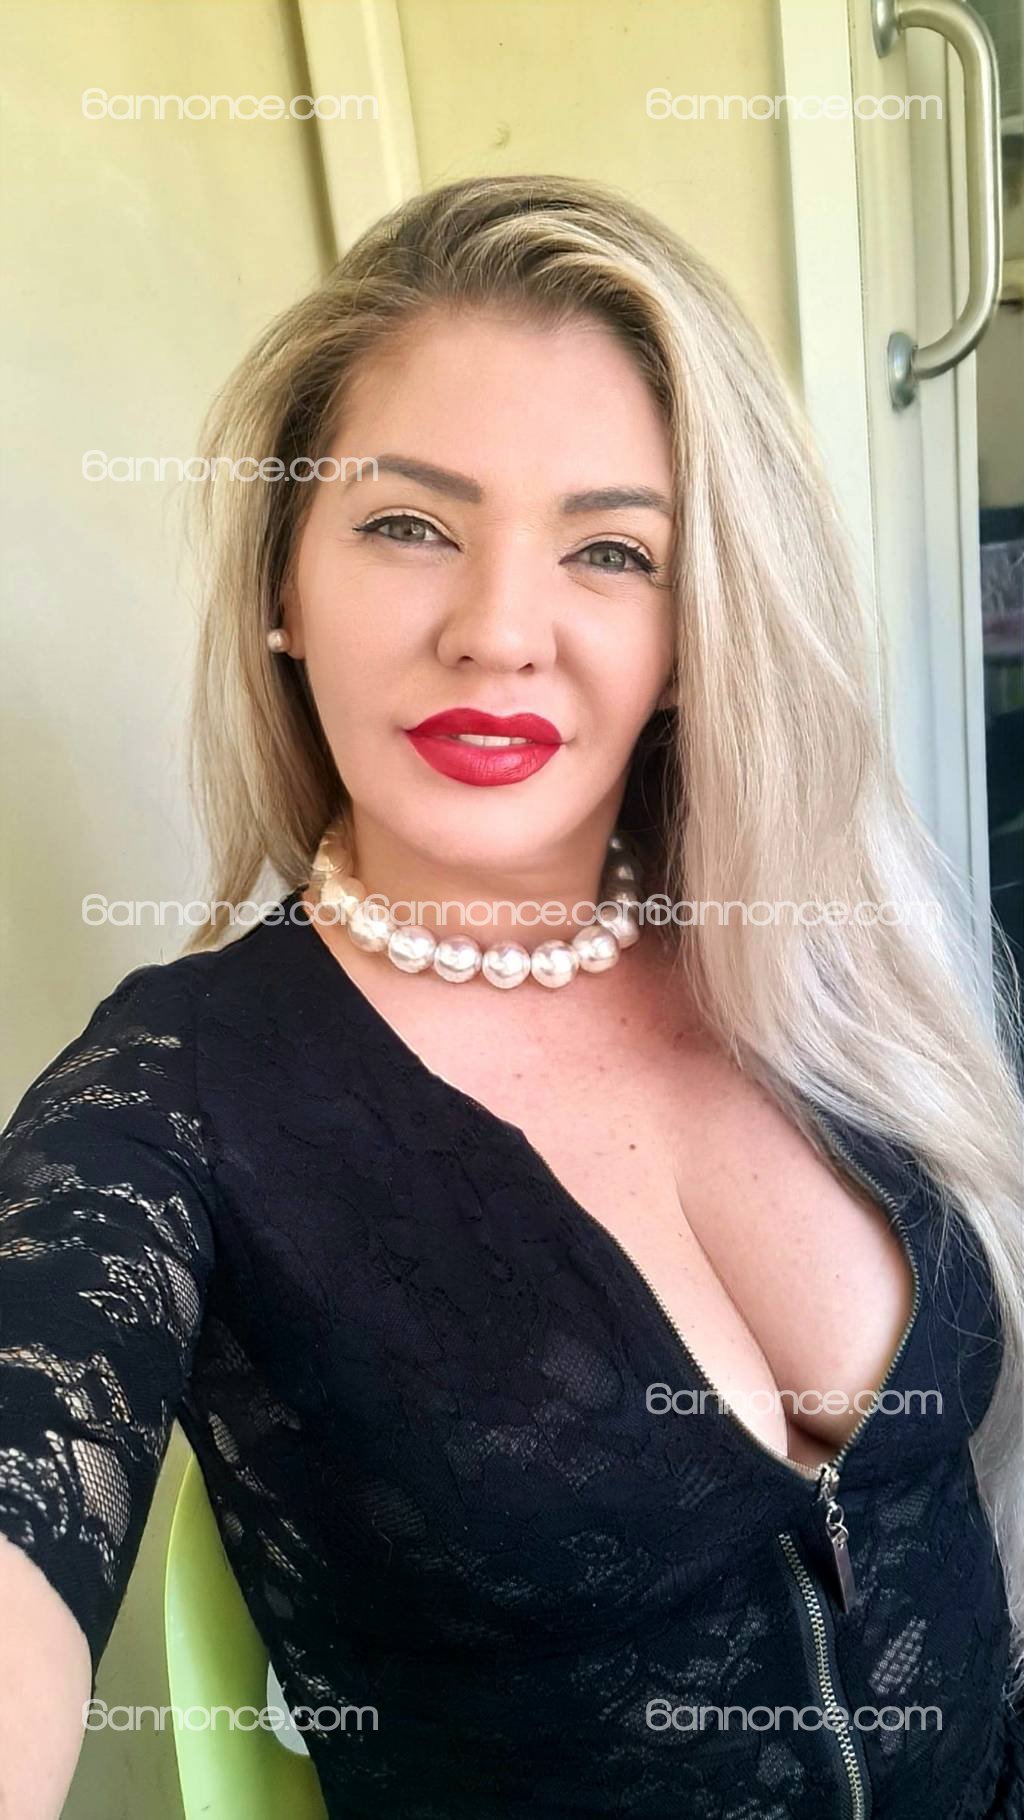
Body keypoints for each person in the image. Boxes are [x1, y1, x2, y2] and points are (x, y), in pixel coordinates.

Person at [2, 173, 1022, 1820]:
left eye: (612, 549)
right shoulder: (169, 1103)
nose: (498, 633)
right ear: (281, 584)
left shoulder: (803, 963)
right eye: (409, 526)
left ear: (696, 631)